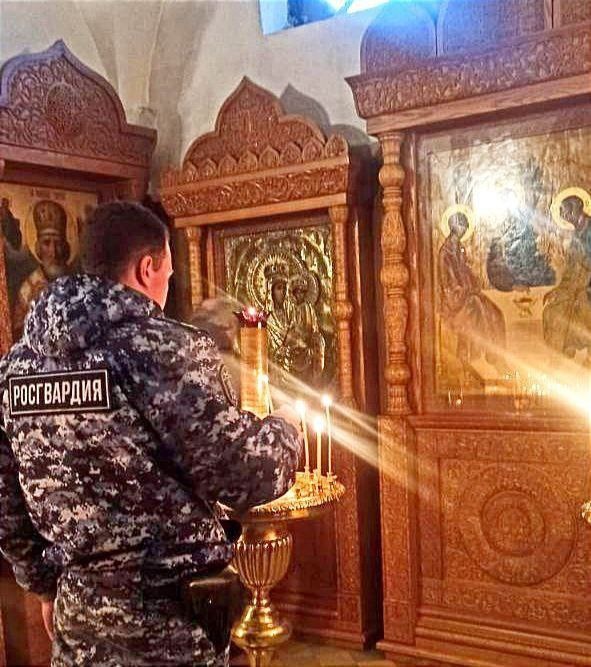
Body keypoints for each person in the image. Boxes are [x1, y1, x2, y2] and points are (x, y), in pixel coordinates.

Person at [0, 201, 302, 666]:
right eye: (168, 274)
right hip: (168, 629)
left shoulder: (16, 367)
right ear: (147, 268)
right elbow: (242, 476)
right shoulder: (162, 349)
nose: (167, 286)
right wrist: (285, 428)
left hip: (79, 618)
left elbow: (6, 501)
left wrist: (43, 585)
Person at [438, 211, 506, 370]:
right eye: (462, 225)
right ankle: (486, 356)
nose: (465, 229)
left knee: (495, 312)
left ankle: (498, 355)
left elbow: (466, 272)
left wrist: (473, 282)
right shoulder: (445, 253)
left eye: (465, 226)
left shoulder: (460, 249)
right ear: (454, 226)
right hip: (453, 300)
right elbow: (447, 283)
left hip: (467, 294)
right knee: (478, 307)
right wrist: (464, 290)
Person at [12, 199, 71, 339]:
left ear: (65, 246)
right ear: (38, 247)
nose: (53, 252)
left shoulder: (77, 281)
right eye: (46, 243)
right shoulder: (28, 289)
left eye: (58, 243)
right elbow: (18, 332)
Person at [543, 194, 591, 361]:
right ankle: (562, 353)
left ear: (574, 211)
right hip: (577, 283)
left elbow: (585, 264)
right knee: (551, 311)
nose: (562, 216)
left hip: (588, 286)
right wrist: (560, 288)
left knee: (577, 309)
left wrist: (579, 288)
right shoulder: (577, 232)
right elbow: (572, 267)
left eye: (564, 211)